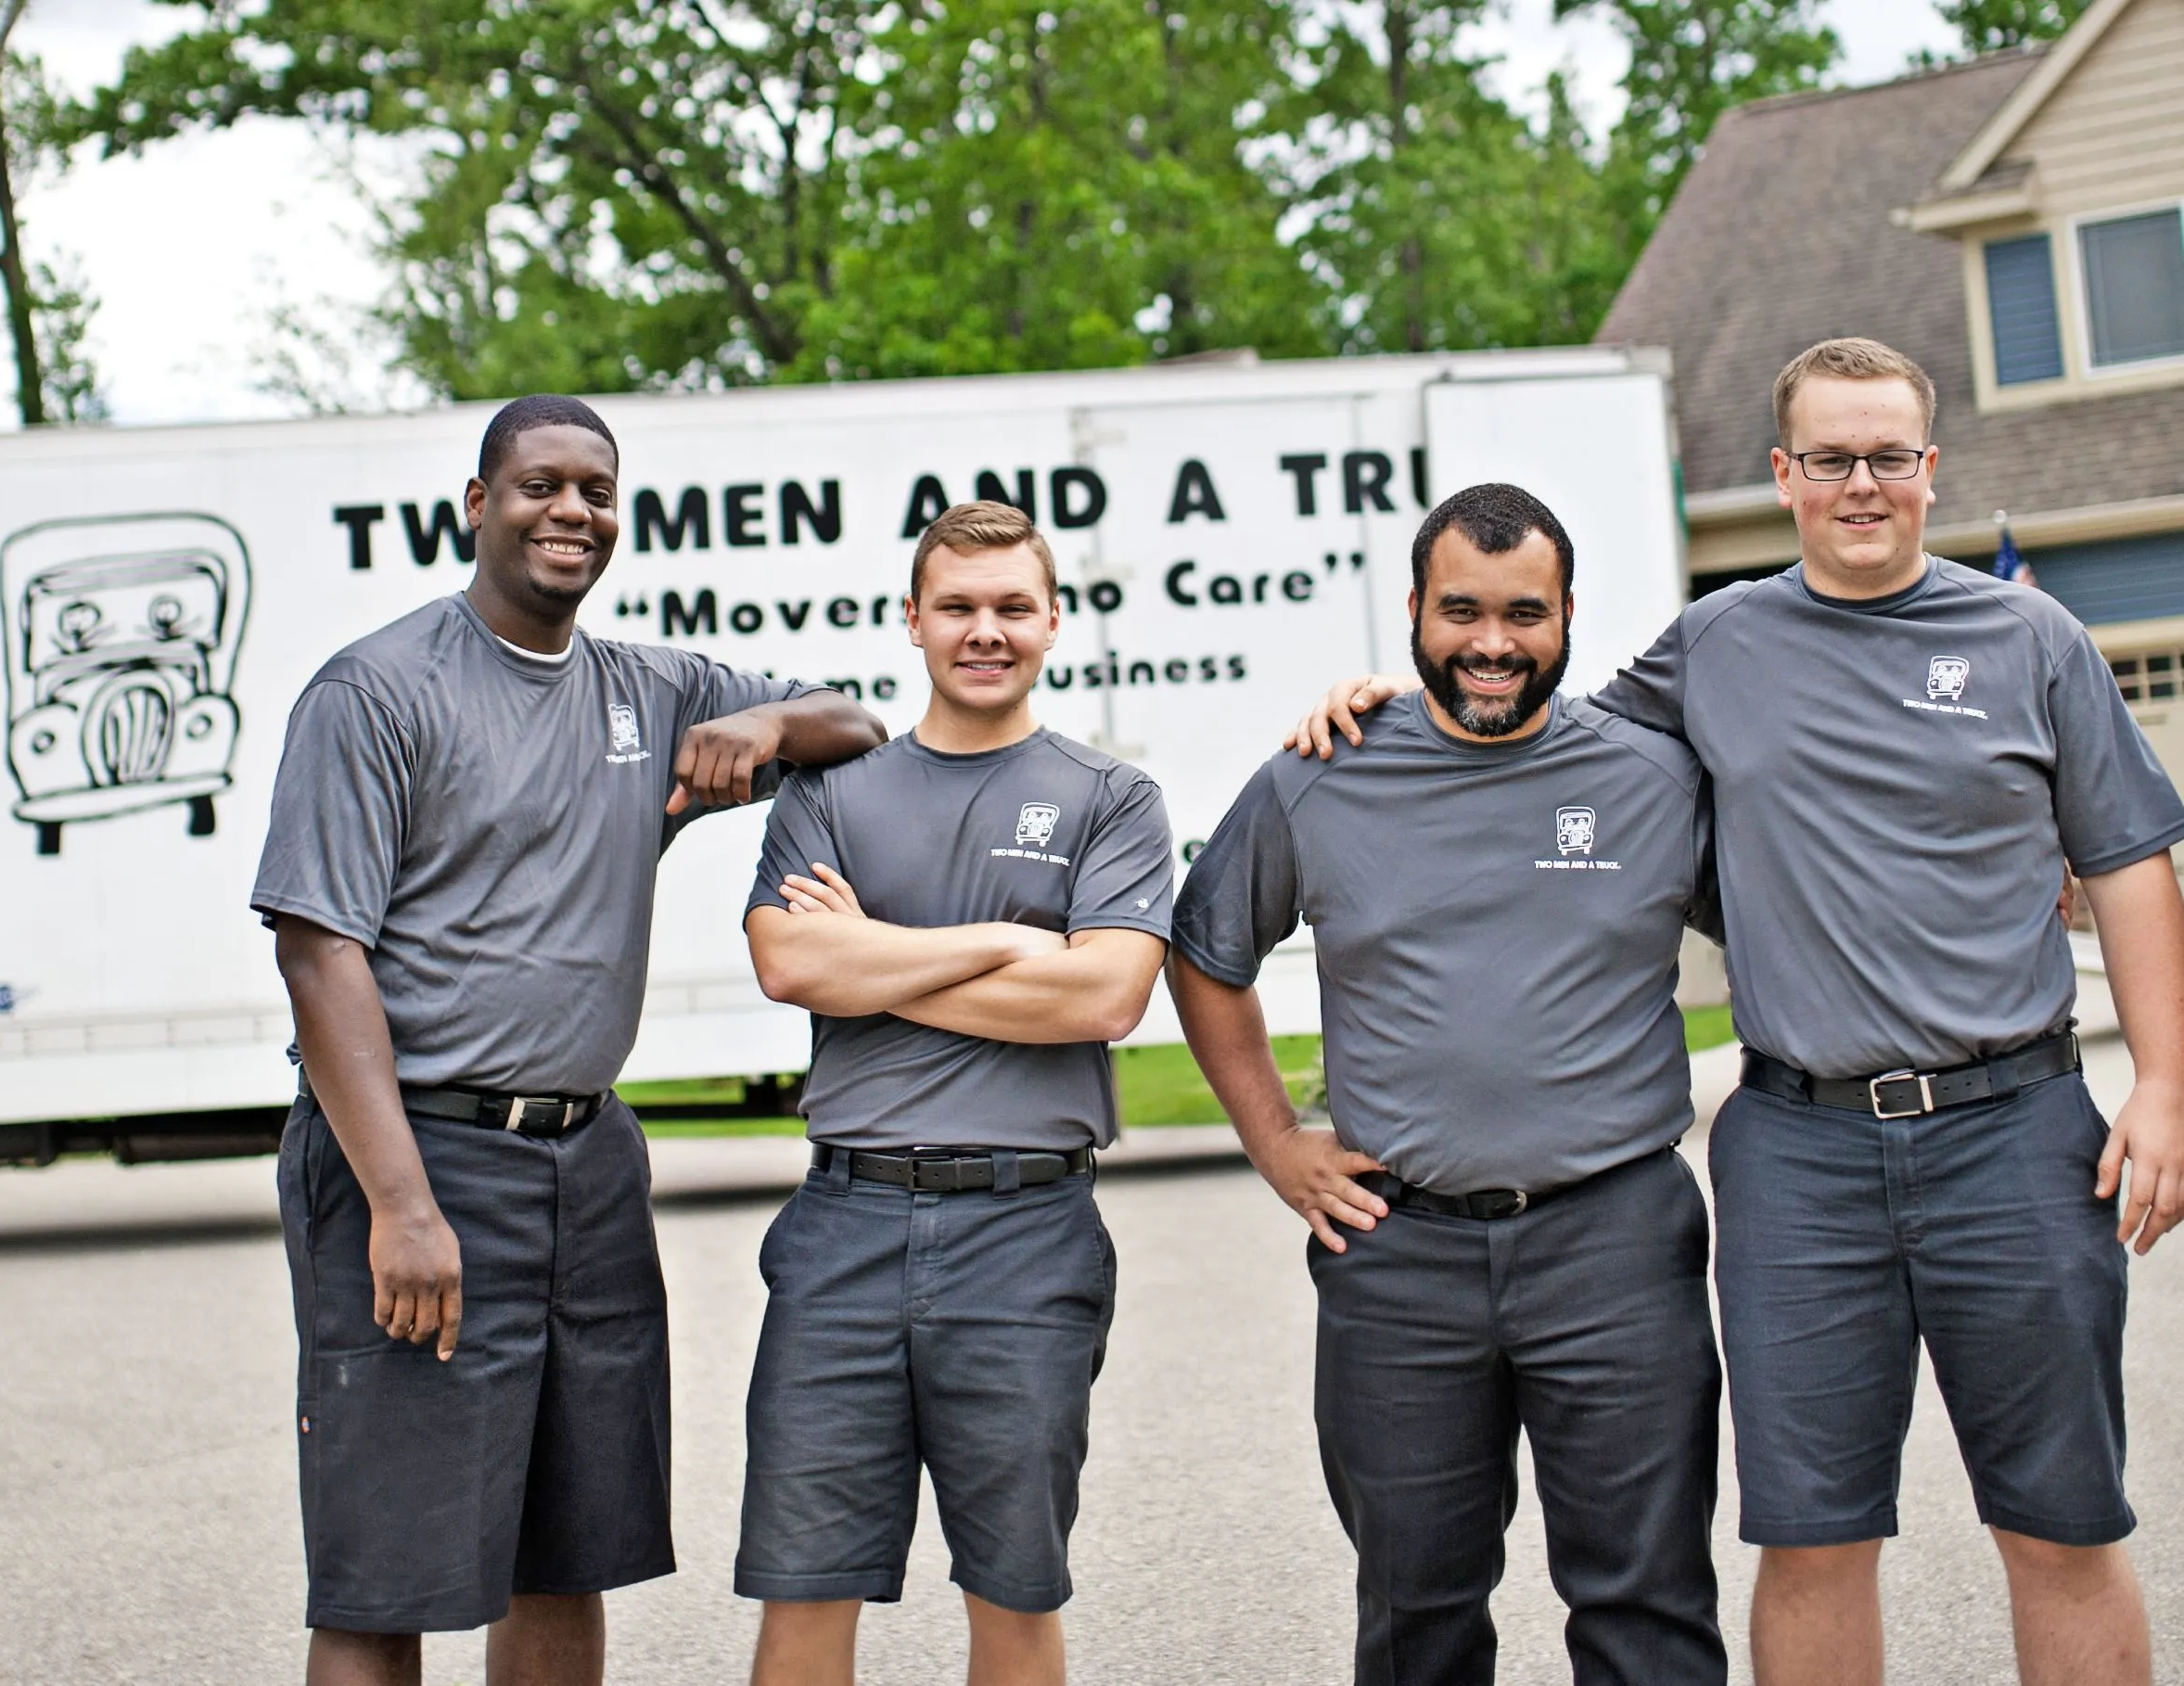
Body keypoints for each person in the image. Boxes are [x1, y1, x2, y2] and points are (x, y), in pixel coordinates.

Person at [1289, 338, 2184, 1686]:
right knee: (1814, 1532)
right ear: (1784, 475)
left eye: (1888, 455)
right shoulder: (1717, 644)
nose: (1861, 484)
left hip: (2014, 1127)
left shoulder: (2031, 640)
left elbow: (2124, 860)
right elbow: (1528, 720)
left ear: (1929, 471)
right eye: (1830, 457)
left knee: (2057, 1518)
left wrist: (2165, 1082)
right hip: (1799, 1147)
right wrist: (1391, 704)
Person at [249, 394, 887, 1686]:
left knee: (564, 1552)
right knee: (391, 1568)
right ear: (476, 505)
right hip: (421, 1153)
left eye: (595, 489)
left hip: (585, 1164)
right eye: (538, 485)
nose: (571, 511)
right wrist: (399, 1203)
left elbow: (856, 722)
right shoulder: (376, 690)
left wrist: (763, 727)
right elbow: (320, 953)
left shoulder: (650, 690)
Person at [1172, 483, 1726, 1684]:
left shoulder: (1652, 778)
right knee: (1415, 1614)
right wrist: (1277, 1141)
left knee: (1650, 1606)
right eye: (1460, 609)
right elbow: (1204, 954)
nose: (1490, 642)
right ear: (1413, 609)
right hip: (1400, 1257)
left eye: (1522, 612)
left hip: (1615, 1240)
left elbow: (1808, 903)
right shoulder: (1320, 775)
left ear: (1567, 613)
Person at [734, 501, 1173, 1686]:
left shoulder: (1109, 798)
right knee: (803, 1591)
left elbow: (1101, 1002)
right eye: (960, 608)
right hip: (844, 1229)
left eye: (1011, 608)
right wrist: (1008, 942)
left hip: (1025, 1234)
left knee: (1012, 1594)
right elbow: (789, 964)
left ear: (1051, 622)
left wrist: (874, 957)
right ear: (913, 622)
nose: (986, 631)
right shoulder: (831, 791)